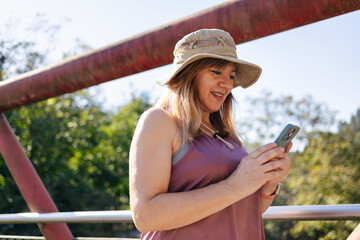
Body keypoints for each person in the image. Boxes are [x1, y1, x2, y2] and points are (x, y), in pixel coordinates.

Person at [129, 29, 292, 239]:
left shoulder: (228, 137)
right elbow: (145, 216)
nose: (227, 84)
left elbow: (241, 210)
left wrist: (268, 182)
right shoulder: (160, 121)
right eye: (216, 72)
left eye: (231, 76)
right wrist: (235, 185)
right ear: (188, 74)